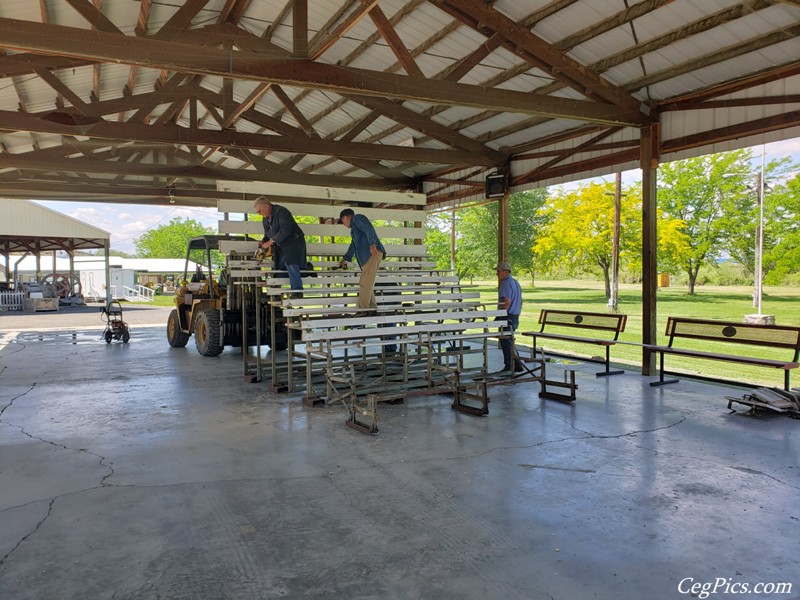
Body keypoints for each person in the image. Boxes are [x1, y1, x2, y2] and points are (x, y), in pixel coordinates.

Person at [253, 196, 307, 291]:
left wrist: (270, 241)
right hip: (281, 246)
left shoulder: (282, 212)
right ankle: (277, 292)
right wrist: (263, 241)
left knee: (291, 265)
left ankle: (297, 291)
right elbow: (267, 234)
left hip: (293, 243)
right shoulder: (265, 219)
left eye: (259, 211)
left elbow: (285, 230)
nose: (259, 214)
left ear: (266, 206)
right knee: (279, 269)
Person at [337, 208, 385, 312]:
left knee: (364, 283)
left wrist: (372, 244)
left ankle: (363, 310)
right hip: (368, 256)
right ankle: (372, 310)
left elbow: (369, 228)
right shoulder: (354, 230)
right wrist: (346, 258)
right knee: (367, 284)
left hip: (372, 254)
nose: (343, 224)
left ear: (346, 217)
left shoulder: (357, 218)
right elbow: (353, 245)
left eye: (342, 221)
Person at [495, 261, 523, 376]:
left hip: (507, 316)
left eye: (499, 271)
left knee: (506, 341)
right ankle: (516, 365)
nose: (497, 274)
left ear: (506, 272)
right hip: (515, 316)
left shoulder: (506, 283)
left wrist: (500, 315)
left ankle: (509, 366)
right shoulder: (515, 282)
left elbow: (506, 302)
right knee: (509, 340)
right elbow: (521, 301)